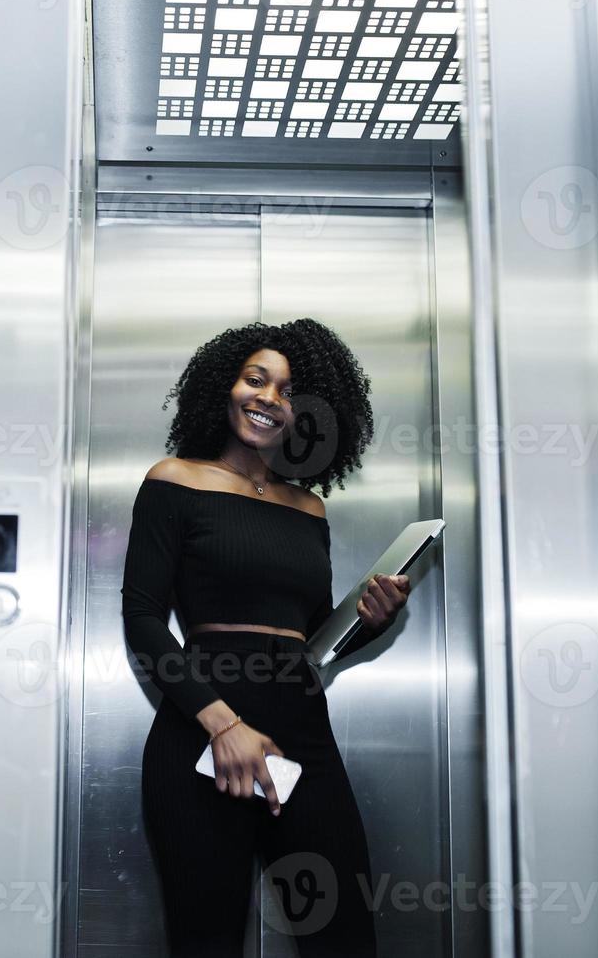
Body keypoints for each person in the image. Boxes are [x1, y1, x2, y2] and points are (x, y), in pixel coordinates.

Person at [120, 318, 410, 958]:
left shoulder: (309, 509)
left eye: (288, 391)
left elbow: (311, 645)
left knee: (345, 937)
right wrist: (223, 726)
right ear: (224, 387)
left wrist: (369, 621)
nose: (268, 399)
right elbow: (142, 619)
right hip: (200, 731)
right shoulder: (175, 481)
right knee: (208, 941)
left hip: (302, 736)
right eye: (257, 379)